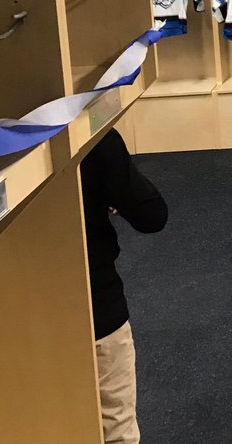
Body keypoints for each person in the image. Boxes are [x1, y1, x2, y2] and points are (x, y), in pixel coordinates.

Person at [81, 129, 168, 444]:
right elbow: (152, 215)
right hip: (95, 309)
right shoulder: (85, 133)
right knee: (116, 430)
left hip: (4, 322)